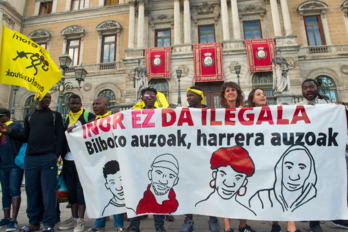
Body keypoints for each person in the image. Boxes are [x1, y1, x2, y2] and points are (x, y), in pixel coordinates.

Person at [0, 93, 65, 232]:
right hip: (30, 159)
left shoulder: (55, 116)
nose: (48, 99)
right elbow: (25, 137)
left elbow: (60, 136)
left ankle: (48, 224)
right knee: (31, 191)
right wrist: (9, 131)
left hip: (48, 157)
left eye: (49, 97)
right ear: (37, 98)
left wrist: (56, 156)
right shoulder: (29, 117)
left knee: (48, 192)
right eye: (45, 97)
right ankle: (34, 222)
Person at [126, 87, 170, 232]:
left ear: (156, 97)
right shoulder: (133, 114)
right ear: (142, 98)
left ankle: (159, 225)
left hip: (157, 158)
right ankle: (134, 224)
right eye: (147, 95)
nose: (149, 97)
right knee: (137, 191)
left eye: (152, 95)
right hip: (139, 158)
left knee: (158, 192)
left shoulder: (163, 114)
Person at [178, 86, 220, 232]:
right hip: (189, 157)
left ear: (199, 97)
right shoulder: (182, 113)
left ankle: (213, 218)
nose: (188, 98)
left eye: (191, 95)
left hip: (207, 156)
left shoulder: (210, 113)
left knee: (211, 187)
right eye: (187, 95)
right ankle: (188, 219)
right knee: (188, 188)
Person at [218, 82, 256, 232]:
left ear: (238, 93)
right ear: (224, 94)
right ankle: (228, 227)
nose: (231, 92)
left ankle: (243, 225)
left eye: (233, 90)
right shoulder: (220, 112)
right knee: (224, 190)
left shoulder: (245, 111)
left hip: (241, 154)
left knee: (241, 191)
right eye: (228, 91)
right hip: (226, 156)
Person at [84, 97, 125, 232]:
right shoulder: (91, 122)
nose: (95, 106)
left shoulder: (115, 119)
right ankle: (99, 224)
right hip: (98, 164)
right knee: (99, 193)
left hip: (114, 162)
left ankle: (118, 224)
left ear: (106, 105)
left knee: (117, 193)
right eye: (94, 104)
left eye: (98, 104)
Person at [59, 94, 95, 232]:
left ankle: (81, 219)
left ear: (81, 104)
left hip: (82, 158)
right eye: (72, 104)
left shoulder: (88, 116)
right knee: (72, 189)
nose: (74, 106)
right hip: (68, 159)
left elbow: (93, 130)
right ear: (68, 105)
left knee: (81, 189)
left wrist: (78, 130)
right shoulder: (66, 119)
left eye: (77, 103)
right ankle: (73, 218)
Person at [195, 146, 256, 218]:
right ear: (214, 175)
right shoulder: (198, 207)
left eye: (238, 178)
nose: (229, 184)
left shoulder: (248, 213)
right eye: (223, 174)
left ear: (244, 182)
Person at [0, 108, 23, 231]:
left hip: (14, 164)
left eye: (1, 116)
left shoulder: (15, 125)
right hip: (2, 164)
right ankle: (6, 217)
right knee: (5, 191)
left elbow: (18, 133)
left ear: (8, 116)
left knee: (14, 191)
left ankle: (13, 219)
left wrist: (8, 130)